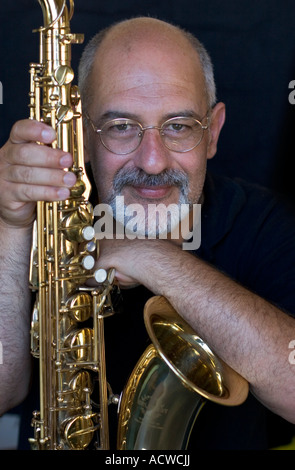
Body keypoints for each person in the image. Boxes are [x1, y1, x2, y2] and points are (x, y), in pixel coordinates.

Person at [0, 16, 295, 450]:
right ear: (82, 132)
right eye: (121, 127)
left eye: (178, 126)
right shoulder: (39, 221)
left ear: (212, 132)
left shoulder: (267, 223)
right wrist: (11, 226)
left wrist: (152, 257)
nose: (153, 162)